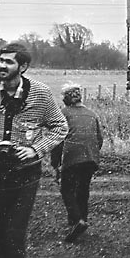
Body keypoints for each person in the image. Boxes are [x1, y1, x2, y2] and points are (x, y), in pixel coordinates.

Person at [0, 43, 68, 258]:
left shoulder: (39, 93)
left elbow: (59, 126)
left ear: (23, 67)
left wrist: (35, 150)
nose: (1, 65)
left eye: (9, 62)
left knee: (15, 233)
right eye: (0, 60)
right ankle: (4, 254)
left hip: (25, 173)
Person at [51, 83, 104, 243]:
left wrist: (56, 164)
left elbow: (58, 140)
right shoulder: (92, 114)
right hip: (90, 157)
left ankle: (76, 220)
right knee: (83, 189)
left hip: (72, 157)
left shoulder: (63, 113)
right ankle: (82, 220)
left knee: (67, 189)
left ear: (66, 99)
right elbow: (99, 139)